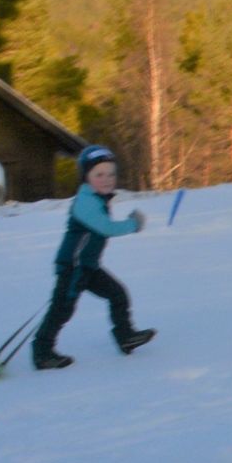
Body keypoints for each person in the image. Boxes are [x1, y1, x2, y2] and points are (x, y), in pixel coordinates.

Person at [31, 145, 155, 370]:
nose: (107, 179)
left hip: (88, 266)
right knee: (61, 309)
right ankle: (42, 352)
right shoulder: (85, 201)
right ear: (86, 178)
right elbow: (106, 227)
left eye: (111, 174)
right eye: (99, 174)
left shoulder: (98, 199)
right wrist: (133, 224)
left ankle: (125, 336)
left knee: (117, 294)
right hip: (73, 267)